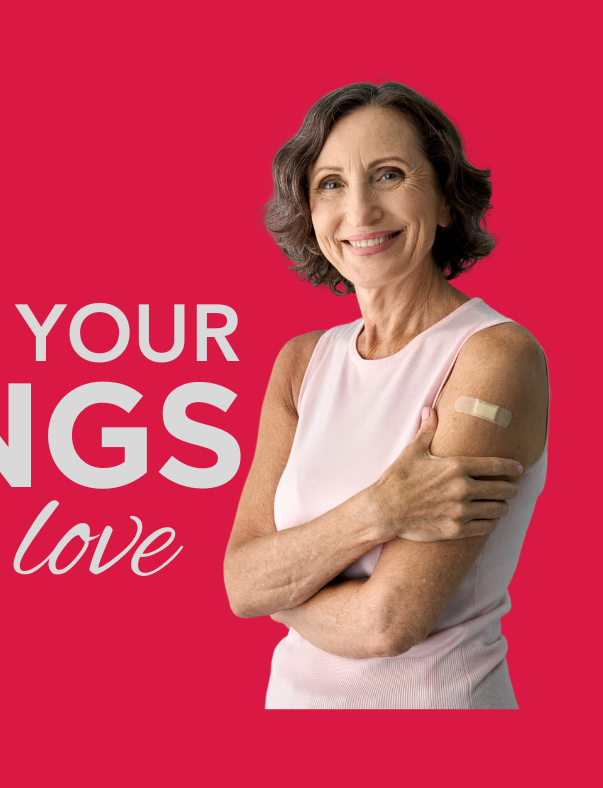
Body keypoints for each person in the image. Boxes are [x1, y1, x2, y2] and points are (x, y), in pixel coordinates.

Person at [223, 82, 549, 709]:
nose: (361, 211)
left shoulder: (493, 357)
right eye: (331, 184)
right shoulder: (301, 362)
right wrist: (382, 508)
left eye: (389, 175)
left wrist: (284, 591)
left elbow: (388, 623)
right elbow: (240, 582)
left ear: (447, 200)